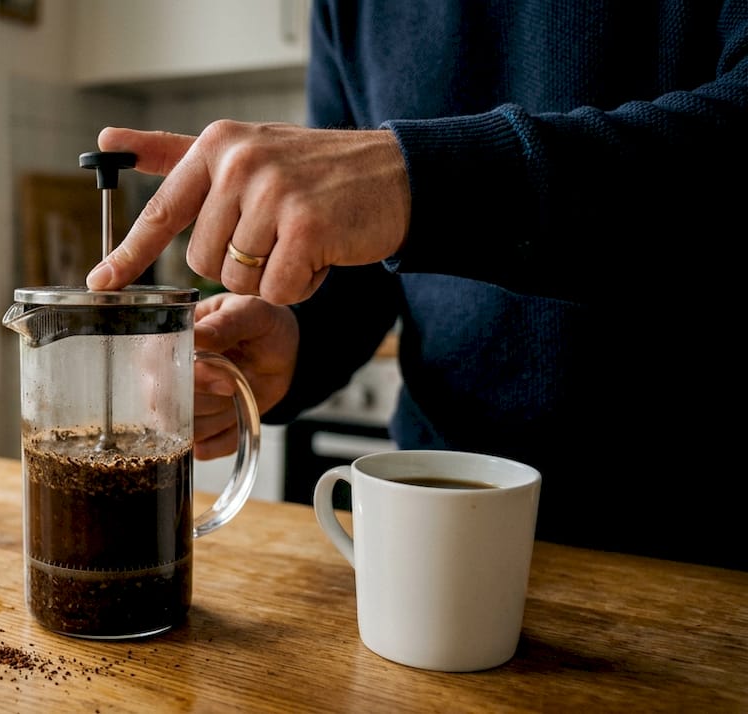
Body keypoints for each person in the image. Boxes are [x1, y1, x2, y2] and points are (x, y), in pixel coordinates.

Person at [85, 1, 748, 571]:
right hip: (437, 519)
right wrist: (294, 341)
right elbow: (363, 266)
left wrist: (421, 180)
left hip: (699, 535)